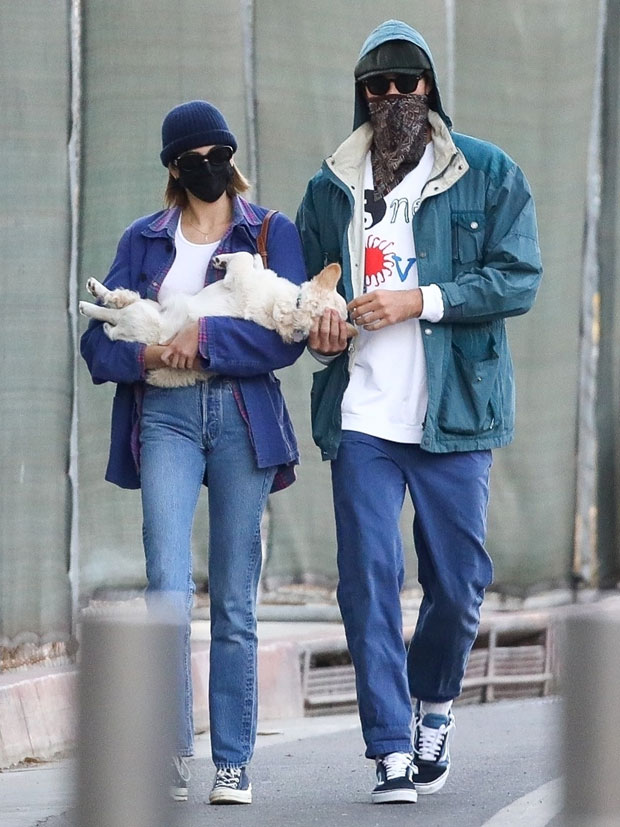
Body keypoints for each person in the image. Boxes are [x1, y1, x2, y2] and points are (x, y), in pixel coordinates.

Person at [297, 20, 542, 805]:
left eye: (407, 82)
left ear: (429, 87)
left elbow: (518, 278)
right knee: (369, 580)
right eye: (379, 85)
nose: (394, 97)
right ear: (362, 96)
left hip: (454, 415)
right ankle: (388, 746)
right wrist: (324, 330)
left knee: (460, 579)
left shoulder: (486, 173)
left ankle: (433, 702)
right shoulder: (329, 188)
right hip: (364, 420)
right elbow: (309, 305)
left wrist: (423, 299)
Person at [81, 100, 307, 805]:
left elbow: (288, 333)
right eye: (195, 157)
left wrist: (205, 341)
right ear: (174, 167)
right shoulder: (143, 240)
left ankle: (233, 760)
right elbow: (96, 345)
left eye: (220, 154)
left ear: (231, 159)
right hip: (166, 415)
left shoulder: (270, 232)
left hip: (243, 416)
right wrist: (149, 351)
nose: (210, 167)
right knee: (167, 588)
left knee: (235, 596)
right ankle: (171, 748)